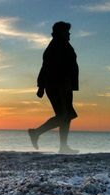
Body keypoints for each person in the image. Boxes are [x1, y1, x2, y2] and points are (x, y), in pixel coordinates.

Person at [28, 21, 79, 154]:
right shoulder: (55, 47)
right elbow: (45, 67)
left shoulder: (64, 45)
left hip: (65, 85)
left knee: (67, 116)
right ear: (60, 33)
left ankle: (63, 146)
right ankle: (36, 132)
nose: (69, 34)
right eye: (67, 32)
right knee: (63, 115)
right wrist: (41, 86)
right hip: (56, 85)